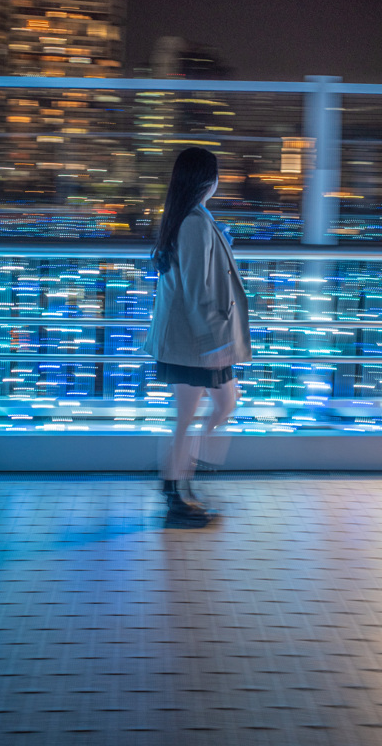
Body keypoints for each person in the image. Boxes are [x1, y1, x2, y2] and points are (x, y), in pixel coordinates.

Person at [145, 147, 252, 528]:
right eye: (216, 174)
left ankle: (179, 480)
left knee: (220, 404)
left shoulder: (196, 218)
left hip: (196, 340)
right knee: (193, 415)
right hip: (196, 343)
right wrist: (214, 343)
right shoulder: (193, 222)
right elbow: (196, 287)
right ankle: (177, 489)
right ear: (206, 179)